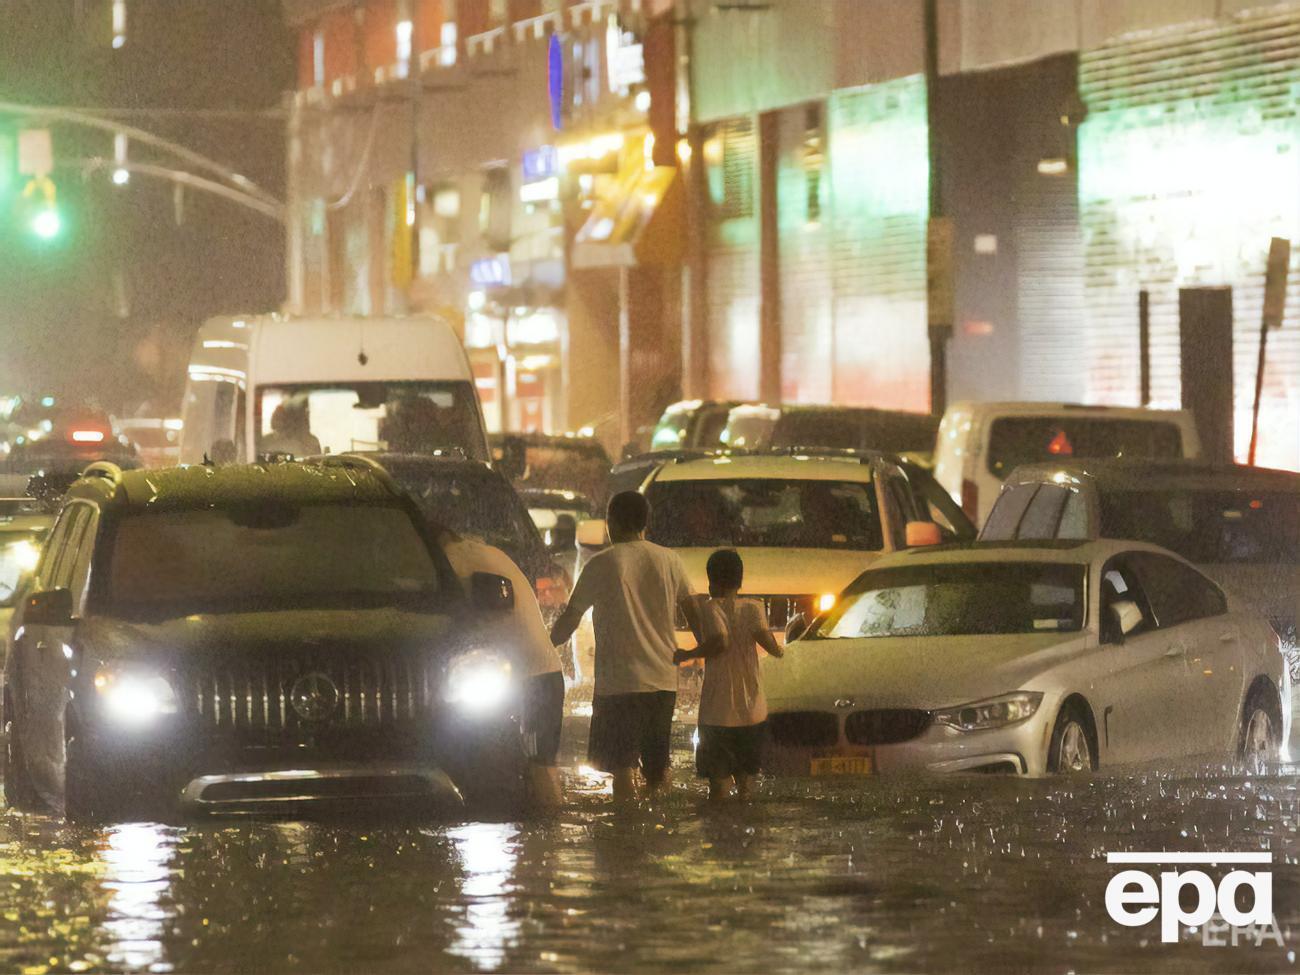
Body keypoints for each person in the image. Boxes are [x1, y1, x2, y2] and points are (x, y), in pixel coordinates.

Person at [550, 491, 700, 801]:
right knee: (658, 772)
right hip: (662, 684)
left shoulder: (602, 563)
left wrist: (541, 645)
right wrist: (701, 652)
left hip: (618, 687)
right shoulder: (670, 560)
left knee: (622, 770)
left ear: (611, 523)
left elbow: (569, 621)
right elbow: (697, 617)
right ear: (646, 523)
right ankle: (660, 833)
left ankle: (626, 833)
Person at [442, 531, 566, 810]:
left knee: (539, 767)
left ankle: (551, 831)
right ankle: (544, 841)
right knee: (538, 766)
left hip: (531, 677)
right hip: (538, 673)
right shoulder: (486, 552)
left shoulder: (453, 560)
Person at [674, 549, 782, 802]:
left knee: (718, 789)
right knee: (747, 786)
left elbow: (720, 641)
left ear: (711, 582)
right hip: (752, 711)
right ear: (740, 581)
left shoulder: (710, 608)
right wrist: (781, 649)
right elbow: (769, 644)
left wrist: (688, 653)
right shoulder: (755, 607)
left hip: (718, 713)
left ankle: (720, 836)